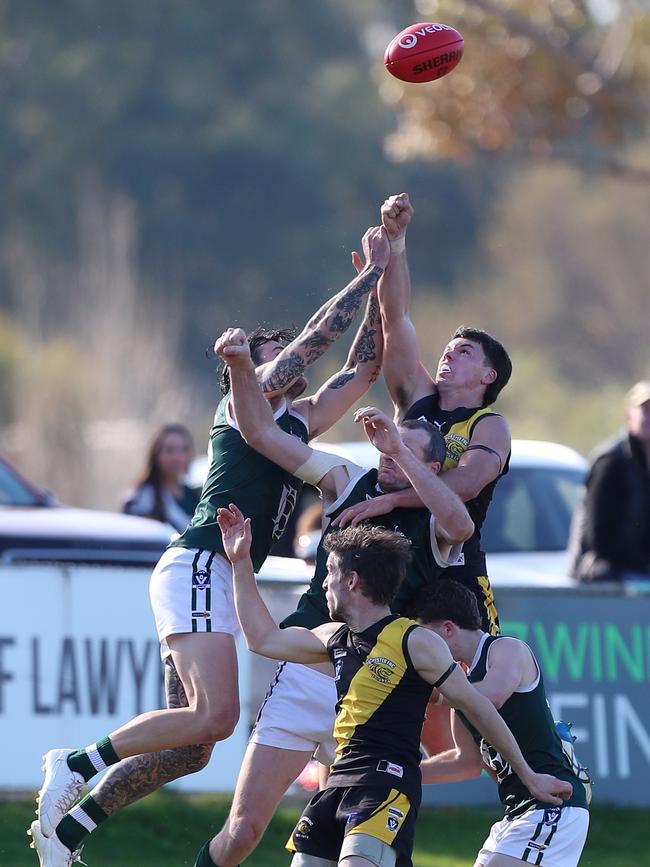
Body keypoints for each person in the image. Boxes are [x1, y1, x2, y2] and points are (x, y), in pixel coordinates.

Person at [28, 225, 390, 867]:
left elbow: (361, 367)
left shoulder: (294, 422)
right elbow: (314, 343)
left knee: (196, 742)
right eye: (274, 349)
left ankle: (71, 829)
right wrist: (364, 277)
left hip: (219, 573)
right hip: (199, 563)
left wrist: (386, 282)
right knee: (215, 714)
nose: (291, 360)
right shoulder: (244, 398)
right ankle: (76, 762)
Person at [198, 326, 473, 867]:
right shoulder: (349, 481)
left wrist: (403, 465)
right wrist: (375, 276)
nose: (389, 457)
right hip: (309, 669)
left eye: (405, 452)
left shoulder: (437, 521)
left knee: (354, 851)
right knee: (244, 830)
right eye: (387, 447)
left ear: (431, 467)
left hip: (372, 692)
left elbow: (459, 521)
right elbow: (259, 431)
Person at [194, 505, 573, 867]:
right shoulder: (333, 637)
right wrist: (240, 562)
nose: (324, 583)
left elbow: (478, 707)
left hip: (385, 783)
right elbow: (262, 640)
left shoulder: (415, 641)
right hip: (336, 784)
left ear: (352, 581)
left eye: (329, 573)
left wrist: (529, 776)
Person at [335, 193, 512, 637]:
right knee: (404, 683)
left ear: (488, 376)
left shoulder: (488, 424)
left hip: (457, 567)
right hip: (400, 561)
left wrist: (394, 497)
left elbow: (466, 485)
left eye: (464, 352)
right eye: (448, 349)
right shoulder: (416, 399)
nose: (448, 355)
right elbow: (397, 319)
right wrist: (396, 245)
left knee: (470, 684)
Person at [416, 579, 591, 867]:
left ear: (447, 629)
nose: (420, 650)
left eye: (424, 637)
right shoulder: (461, 685)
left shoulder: (506, 649)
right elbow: (467, 763)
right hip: (517, 814)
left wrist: (430, 694)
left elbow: (493, 697)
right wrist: (401, 770)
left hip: (553, 806)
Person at [568, 380, 650, 583]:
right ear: (629, 416)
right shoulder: (611, 462)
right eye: (645, 410)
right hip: (603, 575)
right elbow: (601, 539)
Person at [121, 423, 200, 533]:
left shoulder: (194, 495)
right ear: (156, 454)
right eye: (169, 450)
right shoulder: (141, 498)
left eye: (184, 449)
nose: (177, 457)